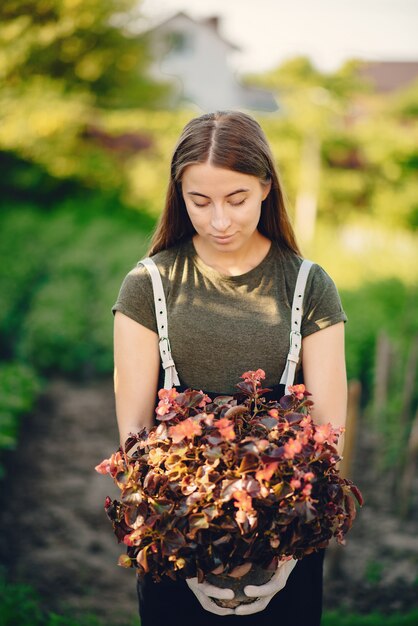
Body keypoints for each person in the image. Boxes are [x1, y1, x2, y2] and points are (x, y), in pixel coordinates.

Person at [111, 110, 348, 625]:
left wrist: (282, 558)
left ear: (266, 186)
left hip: (286, 539)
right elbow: (133, 435)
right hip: (176, 543)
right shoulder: (147, 285)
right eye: (200, 201)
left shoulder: (309, 286)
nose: (220, 220)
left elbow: (330, 435)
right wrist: (189, 552)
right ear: (180, 196)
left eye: (236, 199)